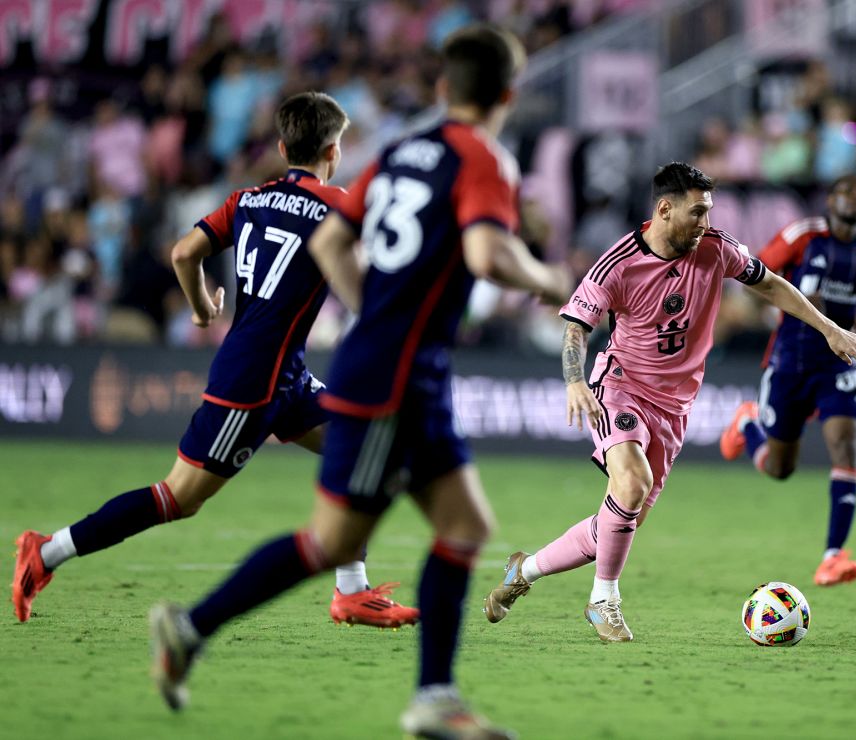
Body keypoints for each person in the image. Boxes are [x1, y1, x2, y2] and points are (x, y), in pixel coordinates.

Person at [147, 25, 570, 739]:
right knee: (333, 541)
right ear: (507, 95)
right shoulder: (485, 158)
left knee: (464, 526)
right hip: (397, 376)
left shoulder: (401, 152)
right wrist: (547, 275)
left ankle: (434, 696)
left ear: (443, 90)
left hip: (399, 363)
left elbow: (332, 241)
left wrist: (373, 308)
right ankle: (193, 628)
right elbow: (486, 252)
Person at [12, 92, 417, 629]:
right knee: (177, 498)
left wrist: (203, 308)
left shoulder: (247, 198)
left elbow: (184, 252)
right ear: (333, 152)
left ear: (281, 147)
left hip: (281, 373)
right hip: (252, 381)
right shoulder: (337, 206)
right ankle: (45, 553)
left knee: (367, 445)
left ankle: (352, 591)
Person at [483, 163, 856, 642]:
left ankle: (525, 571)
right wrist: (573, 381)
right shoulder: (619, 263)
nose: (705, 223)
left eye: (709, 212)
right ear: (664, 210)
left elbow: (771, 283)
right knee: (631, 484)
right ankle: (603, 602)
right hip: (622, 385)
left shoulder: (717, 250)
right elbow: (576, 327)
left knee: (616, 522)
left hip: (675, 407)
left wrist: (831, 330)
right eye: (697, 213)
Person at [719, 173, 856, 587]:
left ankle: (833, 556)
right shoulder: (801, 235)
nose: (854, 198)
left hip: (840, 361)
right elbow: (753, 275)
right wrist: (792, 301)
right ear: (831, 199)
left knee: (846, 444)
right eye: (847, 191)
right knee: (779, 469)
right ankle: (747, 422)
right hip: (791, 360)